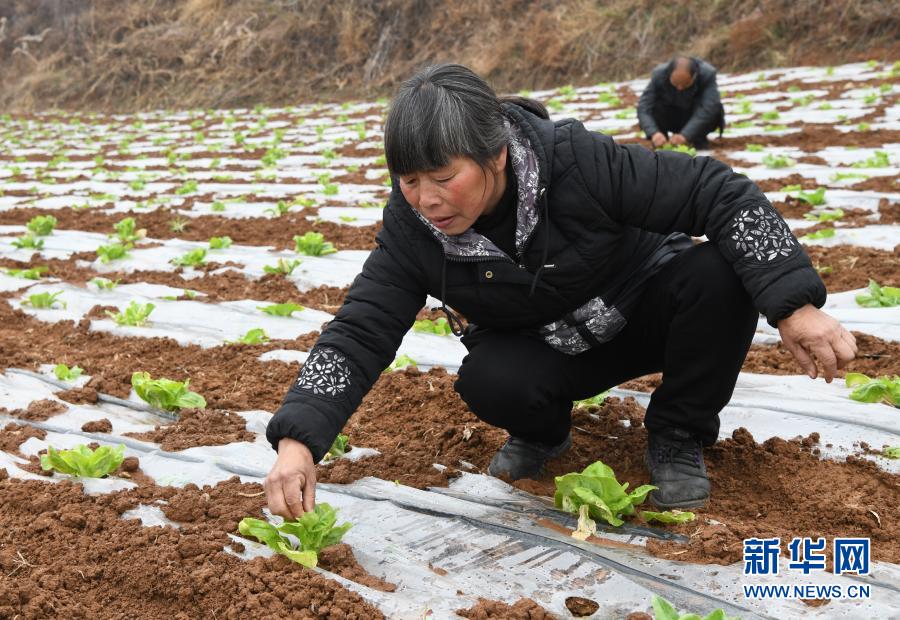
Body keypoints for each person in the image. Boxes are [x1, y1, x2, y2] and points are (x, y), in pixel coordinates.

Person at [264, 63, 856, 520]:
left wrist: (794, 305)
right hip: (549, 346)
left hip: (645, 307)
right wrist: (299, 439)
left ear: (495, 154)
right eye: (410, 180)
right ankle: (543, 433)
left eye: (444, 178)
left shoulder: (573, 161)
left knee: (719, 276)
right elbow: (359, 330)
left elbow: (716, 191)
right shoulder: (411, 232)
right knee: (490, 379)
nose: (426, 199)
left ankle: (678, 433)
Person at [638, 55, 726, 150]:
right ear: (669, 74)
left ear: (694, 76)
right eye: (675, 84)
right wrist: (653, 132)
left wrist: (686, 135)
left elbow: (709, 108)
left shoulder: (707, 74)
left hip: (694, 117)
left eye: (685, 85)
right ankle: (661, 140)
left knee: (714, 108)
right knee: (655, 106)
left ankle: (696, 139)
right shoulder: (659, 74)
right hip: (671, 116)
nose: (679, 88)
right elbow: (644, 107)